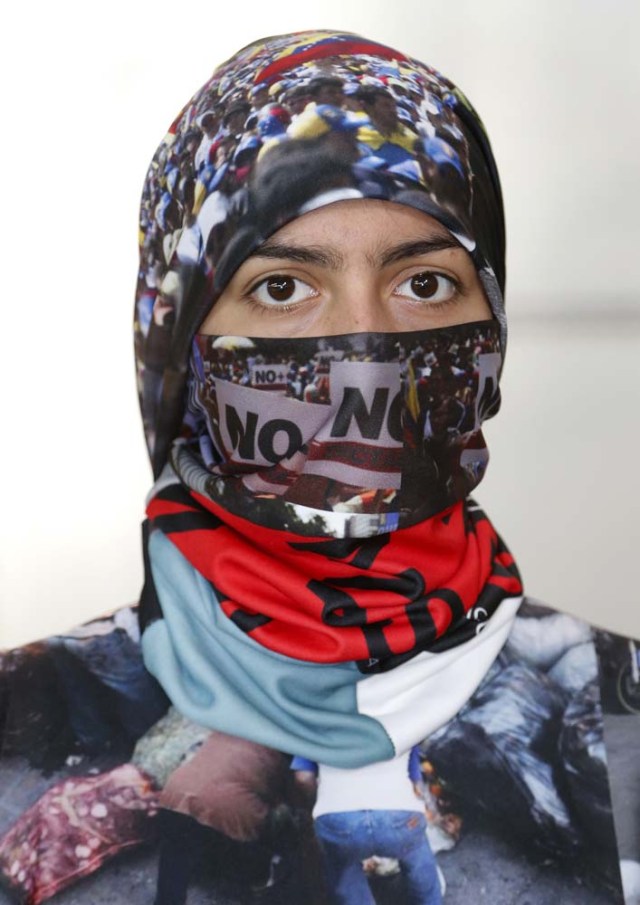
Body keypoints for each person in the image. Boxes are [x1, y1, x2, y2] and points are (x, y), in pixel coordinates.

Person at [0, 28, 638, 905]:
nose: (367, 353)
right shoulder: (20, 725)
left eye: (424, 283)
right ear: (180, 342)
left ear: (491, 321)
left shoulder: (619, 720)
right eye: (282, 287)